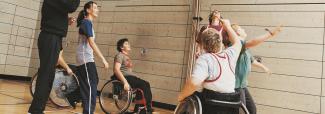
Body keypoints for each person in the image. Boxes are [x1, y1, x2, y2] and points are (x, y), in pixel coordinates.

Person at [178, 19, 242, 114]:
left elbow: (193, 83)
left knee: (189, 97)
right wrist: (228, 26)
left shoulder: (205, 59)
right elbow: (238, 43)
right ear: (220, 42)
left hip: (211, 107)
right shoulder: (230, 55)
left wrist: (181, 96)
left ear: (203, 45)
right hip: (232, 107)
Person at [28, 0, 80, 113]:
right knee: (46, 75)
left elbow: (54, 15)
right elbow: (72, 6)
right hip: (50, 37)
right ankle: (35, 110)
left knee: (48, 74)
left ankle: (37, 109)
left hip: (52, 37)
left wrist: (65, 21)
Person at [231, 24, 282, 114]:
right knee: (241, 111)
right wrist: (270, 33)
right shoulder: (236, 44)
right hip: (236, 87)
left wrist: (264, 67)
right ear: (237, 32)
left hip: (242, 86)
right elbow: (254, 42)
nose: (243, 29)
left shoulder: (245, 47)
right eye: (241, 29)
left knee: (252, 110)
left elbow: (252, 61)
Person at [75, 1, 109, 114]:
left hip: (85, 58)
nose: (97, 9)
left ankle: (73, 97)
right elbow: (91, 43)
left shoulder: (87, 23)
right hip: (85, 59)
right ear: (88, 10)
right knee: (91, 85)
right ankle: (88, 111)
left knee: (92, 81)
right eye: (94, 7)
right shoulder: (86, 22)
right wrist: (103, 59)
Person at [113, 38, 153, 114]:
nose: (129, 45)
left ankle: (142, 108)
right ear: (121, 47)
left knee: (146, 84)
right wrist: (125, 82)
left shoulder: (126, 57)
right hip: (125, 78)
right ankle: (144, 109)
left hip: (131, 77)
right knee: (143, 85)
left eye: (128, 43)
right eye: (126, 44)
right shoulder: (119, 55)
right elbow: (116, 70)